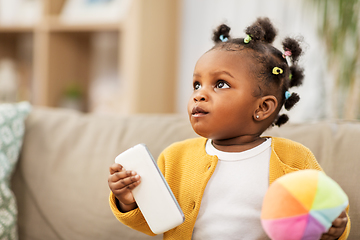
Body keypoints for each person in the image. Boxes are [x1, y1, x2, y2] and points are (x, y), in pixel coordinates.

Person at [108, 17, 350, 240]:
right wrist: (128, 202)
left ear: (263, 107)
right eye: (196, 84)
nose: (199, 95)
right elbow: (155, 223)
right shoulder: (174, 158)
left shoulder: (295, 158)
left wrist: (334, 228)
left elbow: (328, 209)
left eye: (220, 84)